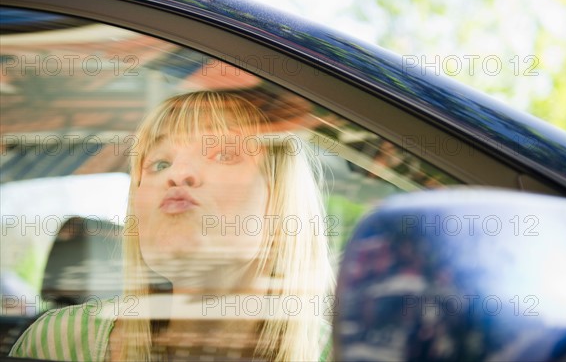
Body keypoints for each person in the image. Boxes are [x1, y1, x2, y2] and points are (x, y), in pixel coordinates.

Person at [10, 91, 335, 361]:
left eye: (223, 154)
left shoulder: (346, 354)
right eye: (160, 163)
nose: (177, 173)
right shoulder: (58, 343)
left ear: (280, 202)